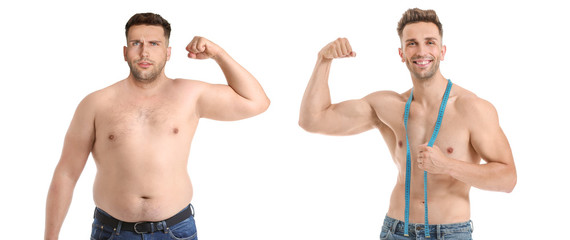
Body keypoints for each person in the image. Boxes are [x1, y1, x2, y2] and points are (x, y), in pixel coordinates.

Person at [45, 12, 270, 240]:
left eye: (154, 43)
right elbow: (66, 174)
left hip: (176, 230)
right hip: (112, 232)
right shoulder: (95, 103)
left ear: (167, 52)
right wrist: (50, 237)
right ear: (125, 52)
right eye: (136, 43)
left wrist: (218, 54)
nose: (144, 52)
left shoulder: (189, 95)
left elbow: (257, 102)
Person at [299, 8, 516, 240]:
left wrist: (448, 165)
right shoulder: (387, 105)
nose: (421, 51)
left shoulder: (472, 108)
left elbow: (508, 178)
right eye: (412, 43)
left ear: (442, 51)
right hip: (396, 230)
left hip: (450, 232)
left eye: (430, 42)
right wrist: (324, 59)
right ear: (401, 53)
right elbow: (312, 120)